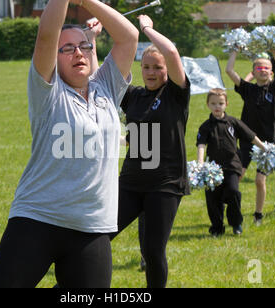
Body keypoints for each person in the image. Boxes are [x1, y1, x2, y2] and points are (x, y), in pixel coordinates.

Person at [0, 0, 138, 288]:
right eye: (67, 48)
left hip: (92, 227)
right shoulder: (48, 93)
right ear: (53, 58)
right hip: (38, 219)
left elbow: (129, 37)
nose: (77, 52)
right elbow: (46, 34)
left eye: (83, 46)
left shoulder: (107, 87)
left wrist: (87, 2)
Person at [110, 15, 190, 288]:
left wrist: (146, 29)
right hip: (131, 182)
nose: (151, 72)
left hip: (164, 185)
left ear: (167, 69)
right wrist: (90, 41)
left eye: (157, 67)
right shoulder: (133, 96)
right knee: (98, 234)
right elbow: (108, 74)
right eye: (146, 67)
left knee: (153, 252)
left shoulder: (176, 94)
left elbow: (171, 51)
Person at [226, 49, 275, 226]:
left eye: (266, 67)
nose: (262, 70)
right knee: (238, 177)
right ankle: (232, 212)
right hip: (246, 141)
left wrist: (274, 52)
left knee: (260, 180)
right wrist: (235, 51)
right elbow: (229, 71)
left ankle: (258, 214)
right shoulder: (248, 89)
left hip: (267, 144)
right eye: (258, 67)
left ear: (271, 72)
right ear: (254, 71)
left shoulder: (274, 89)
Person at [196, 89, 266, 236]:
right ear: (208, 104)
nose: (217, 106)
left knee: (233, 191)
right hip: (212, 169)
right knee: (213, 198)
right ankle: (217, 227)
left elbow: (251, 136)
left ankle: (236, 223)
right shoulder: (206, 126)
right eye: (213, 103)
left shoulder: (233, 122)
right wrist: (200, 163)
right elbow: (201, 144)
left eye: (220, 103)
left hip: (232, 166)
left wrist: (265, 148)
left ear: (226, 104)